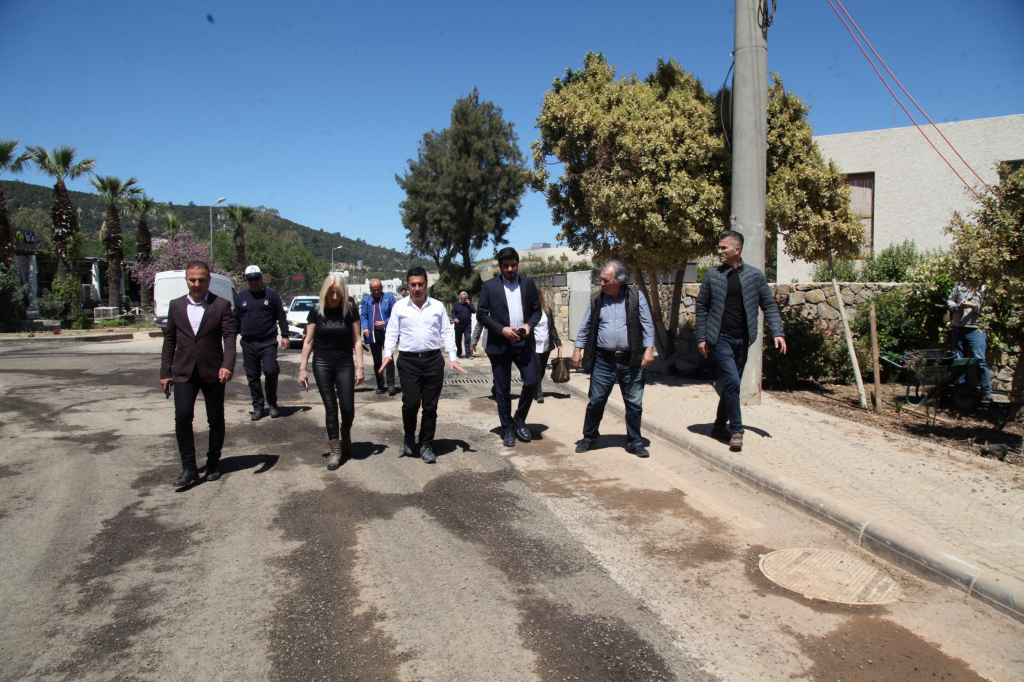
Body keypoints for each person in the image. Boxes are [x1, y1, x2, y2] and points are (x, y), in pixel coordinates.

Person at [695, 230, 786, 452]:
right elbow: (702, 306)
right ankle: (736, 431)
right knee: (733, 381)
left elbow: (768, 304)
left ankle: (718, 427)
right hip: (720, 339)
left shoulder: (754, 276)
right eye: (719, 247)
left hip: (743, 340)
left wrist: (778, 331)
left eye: (723, 248)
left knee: (730, 384)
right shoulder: (713, 276)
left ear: (737, 250)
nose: (719, 251)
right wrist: (702, 337)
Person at [379, 267, 467, 463]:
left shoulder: (437, 306)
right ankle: (409, 436)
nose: (417, 288)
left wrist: (453, 357)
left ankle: (426, 443)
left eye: (420, 284)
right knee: (410, 404)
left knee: (430, 406)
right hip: (408, 361)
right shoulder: (399, 307)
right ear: (408, 285)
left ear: (426, 284)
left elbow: (446, 332)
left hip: (433, 361)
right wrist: (387, 354)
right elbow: (391, 333)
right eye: (413, 285)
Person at [160, 261, 236, 486]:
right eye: (192, 279)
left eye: (201, 280)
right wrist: (165, 371)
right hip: (183, 371)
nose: (196, 284)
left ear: (208, 280)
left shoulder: (221, 305)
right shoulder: (175, 305)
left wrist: (228, 364)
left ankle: (213, 462)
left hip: (213, 371)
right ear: (186, 280)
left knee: (215, 419)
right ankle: (189, 468)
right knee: (183, 417)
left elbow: (229, 337)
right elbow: (169, 340)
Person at [571, 260, 656, 457]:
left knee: (634, 403)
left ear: (619, 280)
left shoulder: (636, 296)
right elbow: (585, 326)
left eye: (606, 280)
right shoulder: (596, 299)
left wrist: (649, 350)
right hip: (604, 360)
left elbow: (647, 325)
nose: (601, 283)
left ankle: (635, 442)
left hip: (632, 360)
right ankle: (589, 437)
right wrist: (577, 350)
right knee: (596, 400)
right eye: (601, 279)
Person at [477, 247, 542, 447]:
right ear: (500, 266)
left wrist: (528, 325)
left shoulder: (528, 284)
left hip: (523, 342)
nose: (510, 269)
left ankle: (519, 419)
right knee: (502, 389)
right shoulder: (489, 286)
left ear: (517, 263)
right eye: (506, 266)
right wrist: (502, 330)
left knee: (532, 381)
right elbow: (481, 314)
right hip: (500, 343)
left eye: (513, 265)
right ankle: (508, 429)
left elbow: (537, 311)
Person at [298, 273, 365, 470]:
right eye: (331, 293)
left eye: (338, 293)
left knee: (347, 407)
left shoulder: (350, 310)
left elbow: (357, 340)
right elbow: (309, 340)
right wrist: (302, 369)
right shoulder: (316, 310)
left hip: (344, 363)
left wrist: (360, 367)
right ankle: (336, 450)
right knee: (331, 407)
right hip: (322, 363)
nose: (334, 297)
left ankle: (346, 432)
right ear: (325, 292)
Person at [234, 265, 289, 421]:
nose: (254, 281)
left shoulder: (270, 295)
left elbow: (281, 316)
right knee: (252, 376)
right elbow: (235, 319)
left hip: (268, 341)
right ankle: (258, 407)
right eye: (250, 279)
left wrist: (285, 335)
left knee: (270, 371)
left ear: (261, 278)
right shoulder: (241, 297)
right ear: (246, 280)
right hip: (248, 342)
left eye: (256, 278)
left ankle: (272, 404)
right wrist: (231, 336)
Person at [948, 282, 992, 405]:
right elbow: (950, 300)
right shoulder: (959, 285)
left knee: (980, 360)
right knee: (959, 361)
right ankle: (962, 391)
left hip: (976, 329)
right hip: (958, 328)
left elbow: (988, 308)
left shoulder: (984, 286)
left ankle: (986, 392)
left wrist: (973, 306)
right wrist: (956, 307)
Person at [360, 278, 397, 396]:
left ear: (382, 288)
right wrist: (365, 327)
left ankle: (391, 385)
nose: (376, 292)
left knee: (389, 358)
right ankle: (380, 385)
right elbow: (364, 315)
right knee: (377, 360)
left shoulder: (389, 298)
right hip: (373, 334)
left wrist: (385, 322)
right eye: (373, 290)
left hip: (387, 333)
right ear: (370, 289)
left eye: (378, 289)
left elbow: (395, 315)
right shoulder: (366, 300)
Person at [533, 289, 562, 404]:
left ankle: (535, 389)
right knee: (537, 368)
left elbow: (552, 328)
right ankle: (539, 392)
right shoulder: (528, 312)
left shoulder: (547, 310)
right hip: (534, 346)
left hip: (546, 345)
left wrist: (558, 342)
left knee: (542, 368)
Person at [450, 290, 476, 359]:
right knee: (458, 340)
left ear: (467, 298)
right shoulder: (456, 304)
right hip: (458, 325)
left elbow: (474, 311)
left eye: (464, 298)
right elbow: (452, 312)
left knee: (467, 339)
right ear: (460, 298)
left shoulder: (469, 304)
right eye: (462, 298)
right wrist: (455, 318)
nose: (463, 300)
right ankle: (459, 353)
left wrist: (469, 304)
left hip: (467, 325)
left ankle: (468, 354)